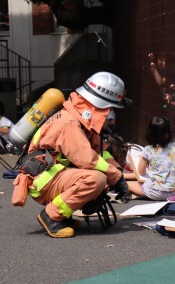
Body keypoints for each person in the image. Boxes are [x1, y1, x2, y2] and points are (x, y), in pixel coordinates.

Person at [12, 71, 131, 238]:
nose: (109, 113)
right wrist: (115, 177)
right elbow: (87, 159)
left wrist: (118, 175)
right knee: (95, 179)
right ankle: (51, 216)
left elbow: (100, 153)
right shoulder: (69, 122)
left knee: (104, 176)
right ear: (99, 105)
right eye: (109, 108)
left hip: (53, 174)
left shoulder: (81, 119)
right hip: (42, 179)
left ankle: (63, 216)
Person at [127, 116, 175, 200]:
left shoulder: (148, 150)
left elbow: (141, 172)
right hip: (174, 192)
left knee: (126, 184)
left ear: (150, 132)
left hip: (154, 192)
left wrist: (140, 160)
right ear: (169, 131)